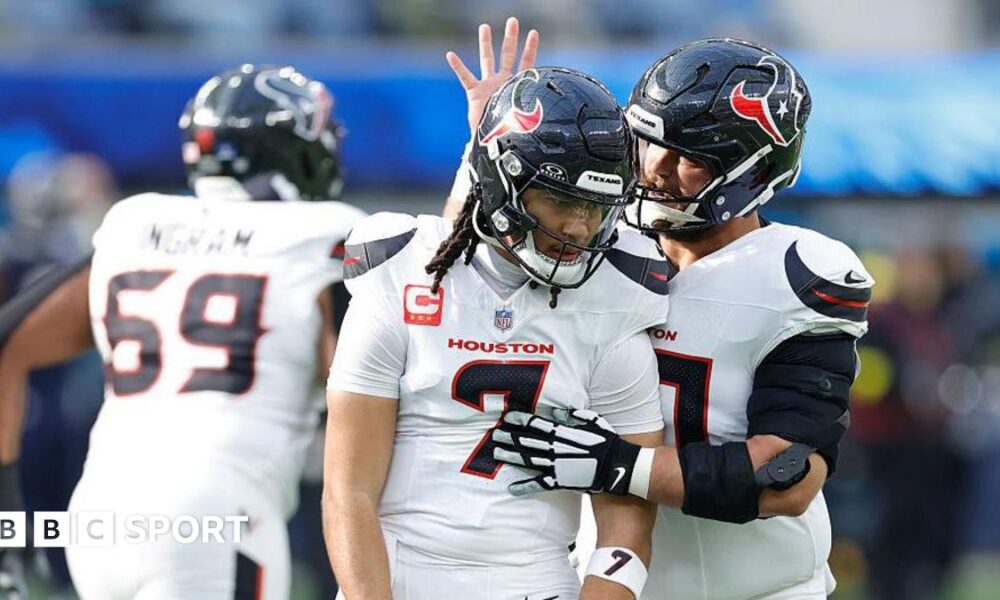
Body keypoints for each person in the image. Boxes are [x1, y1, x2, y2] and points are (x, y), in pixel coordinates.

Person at [485, 39, 875, 599]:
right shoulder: (594, 246)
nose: (656, 168)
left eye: (689, 157)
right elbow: (462, 280)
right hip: (609, 582)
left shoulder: (795, 275)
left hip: (762, 590)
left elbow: (787, 475)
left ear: (751, 171)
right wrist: (490, 152)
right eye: (647, 143)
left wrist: (617, 465)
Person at [0, 63, 365, 599]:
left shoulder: (134, 223)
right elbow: (366, 391)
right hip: (217, 515)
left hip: (100, 511)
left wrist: (7, 520)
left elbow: (8, 343)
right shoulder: (327, 234)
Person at [322, 50, 671, 599]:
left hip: (536, 582)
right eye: (561, 199)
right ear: (501, 180)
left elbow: (627, 513)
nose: (580, 226)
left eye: (597, 205)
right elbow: (348, 491)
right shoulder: (403, 273)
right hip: (399, 575)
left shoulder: (615, 297)